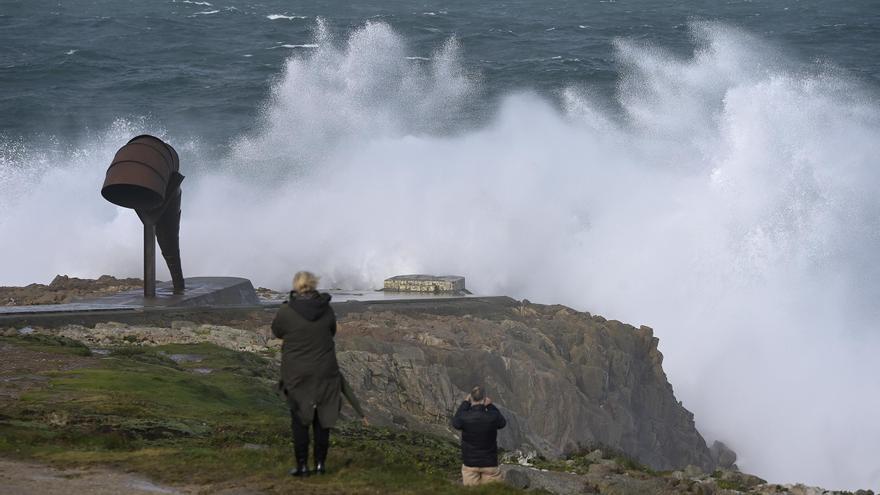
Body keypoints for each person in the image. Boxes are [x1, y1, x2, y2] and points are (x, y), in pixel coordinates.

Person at [272, 271, 342, 477]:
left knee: (300, 420)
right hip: (325, 371)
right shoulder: (326, 309)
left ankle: (302, 466)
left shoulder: (286, 311)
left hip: (297, 373)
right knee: (322, 420)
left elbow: (277, 331)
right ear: (314, 284)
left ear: (296, 286)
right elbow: (331, 331)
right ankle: (320, 465)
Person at [451, 385, 507, 486]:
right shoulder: (492, 416)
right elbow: (502, 423)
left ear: (471, 398)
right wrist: (490, 405)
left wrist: (465, 403)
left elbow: (456, 422)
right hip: (490, 463)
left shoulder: (464, 417)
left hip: (470, 464)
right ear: (484, 399)